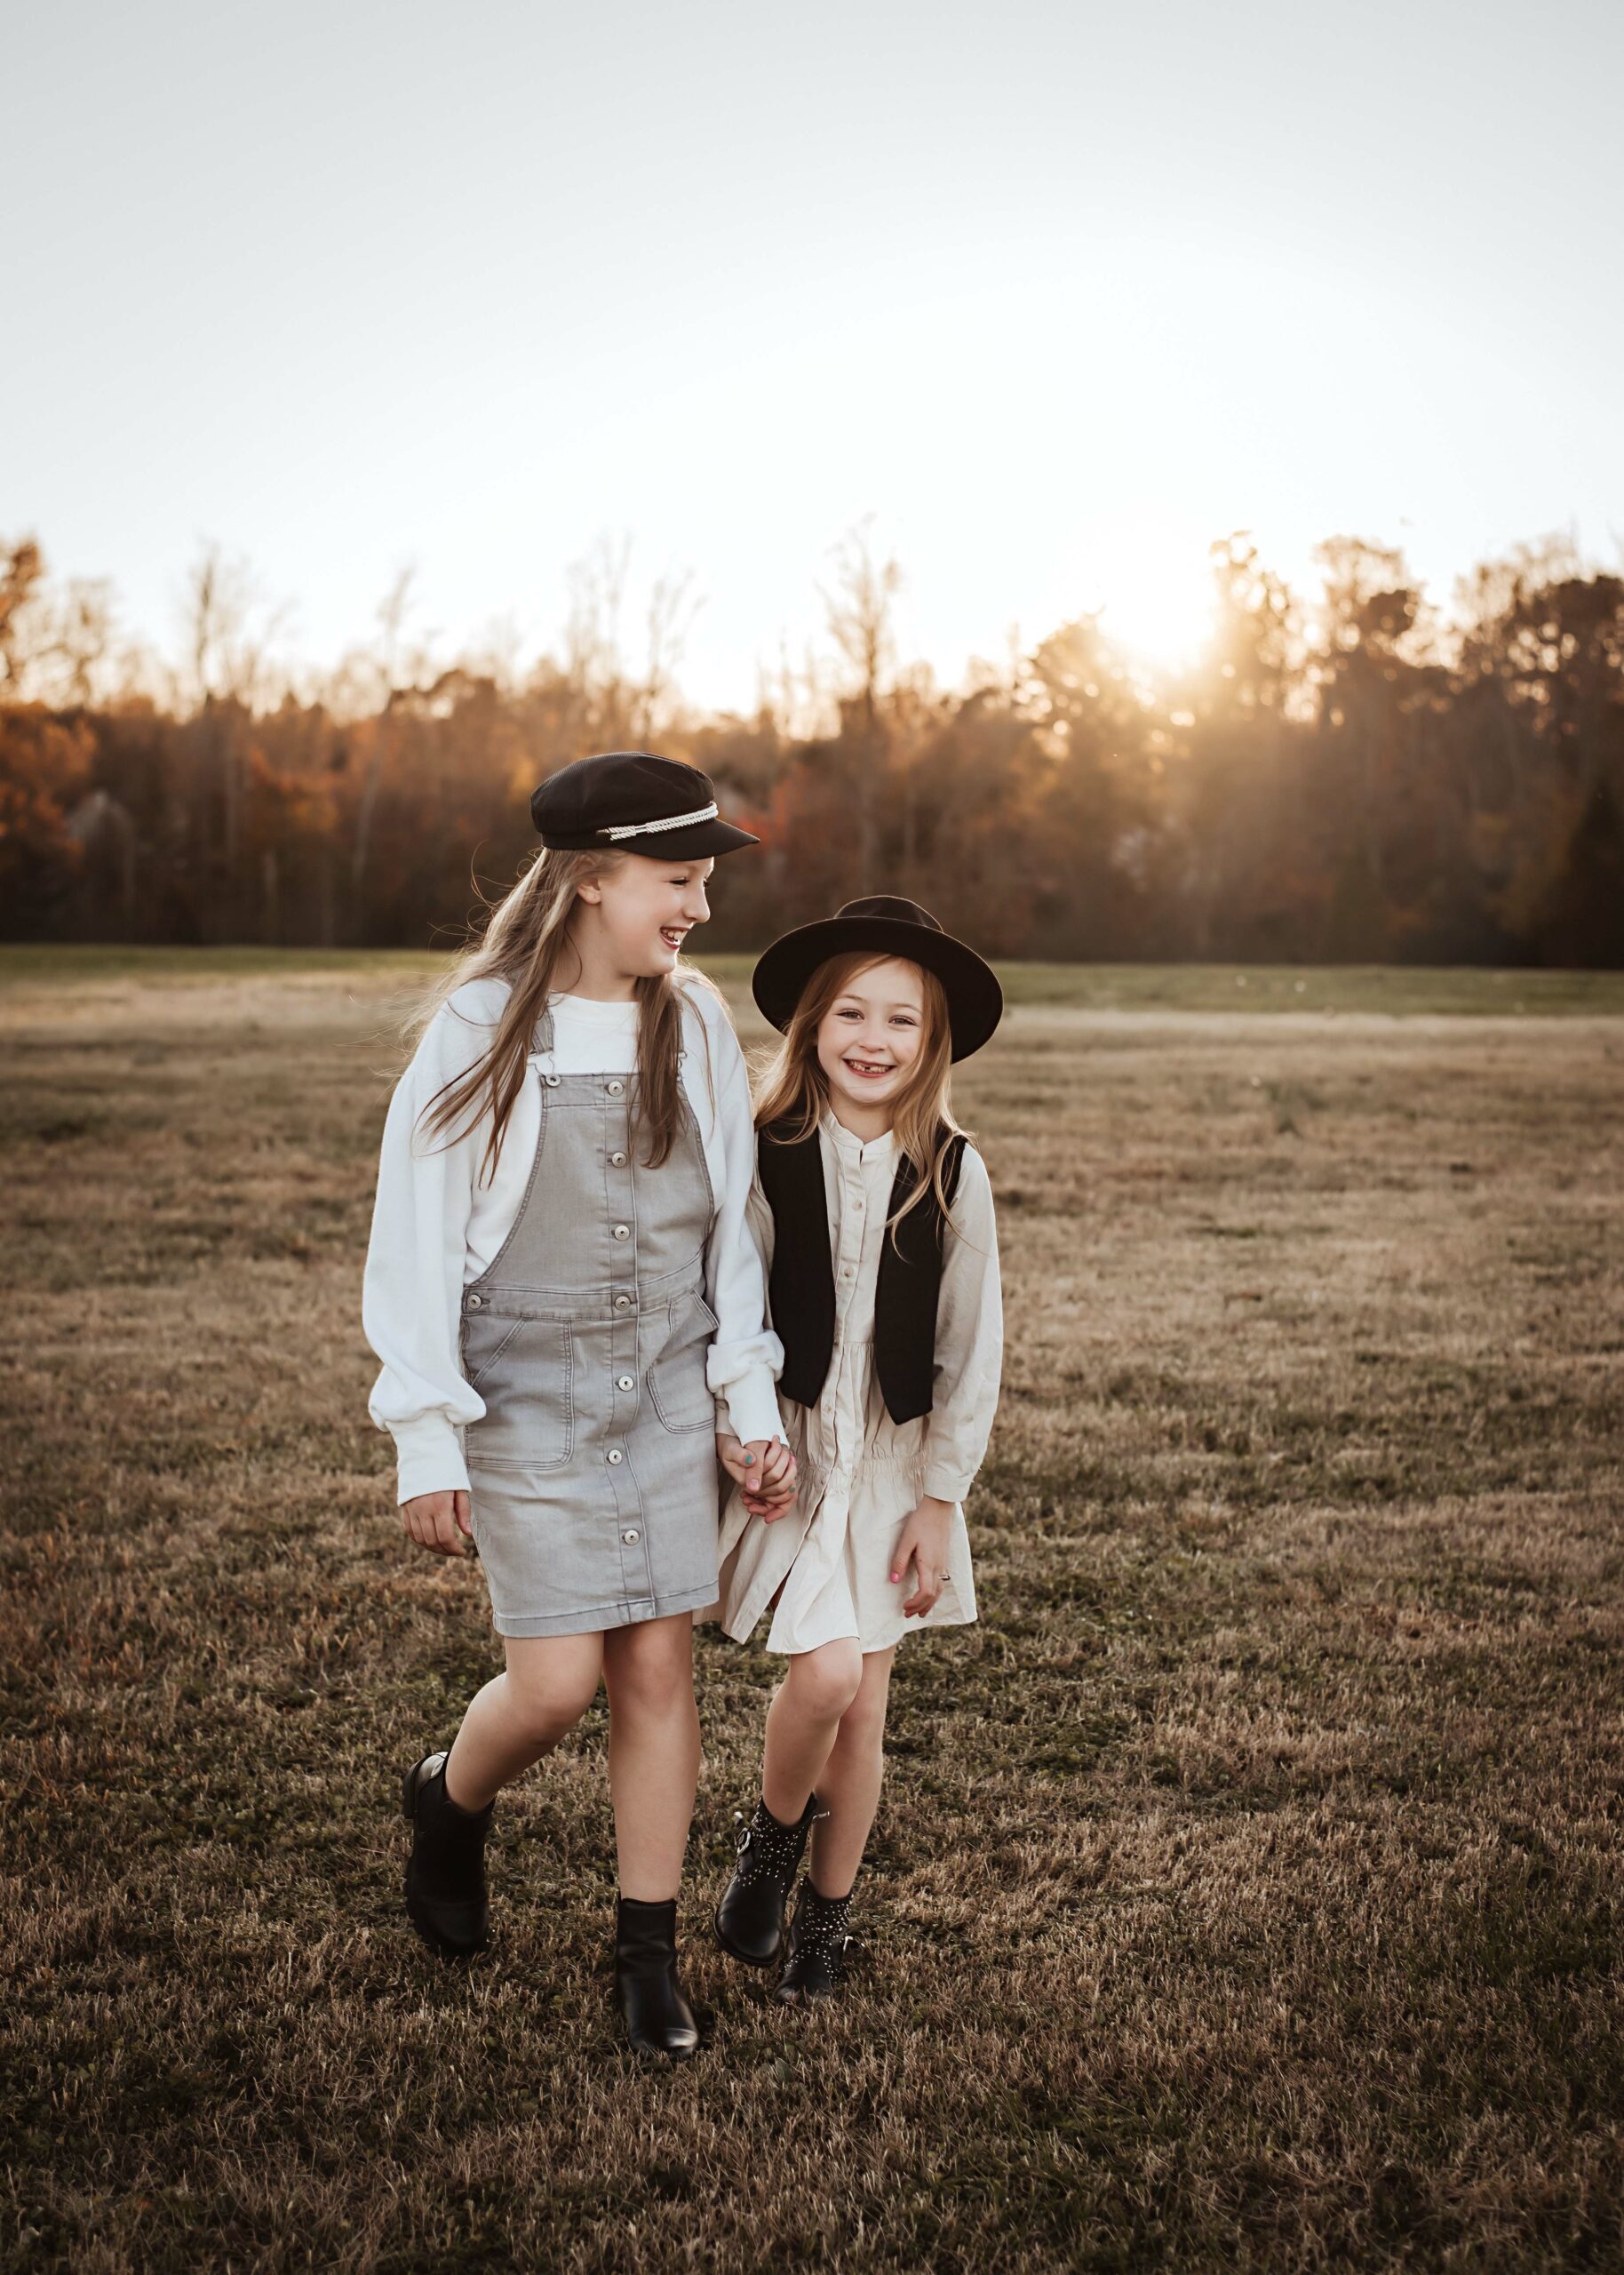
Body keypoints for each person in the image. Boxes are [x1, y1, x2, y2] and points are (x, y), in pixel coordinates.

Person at [363, 751, 794, 2062]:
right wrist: (424, 1430)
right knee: (553, 1685)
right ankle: (450, 1800)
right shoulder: (485, 1023)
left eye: (703, 885)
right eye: (679, 883)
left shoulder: (698, 1019)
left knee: (659, 1666)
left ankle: (645, 1955)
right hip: (524, 1393)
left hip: (664, 1382)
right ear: (593, 879)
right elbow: (419, 1236)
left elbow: (732, 1232)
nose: (698, 912)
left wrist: (743, 1397)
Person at [705, 896, 1004, 2001]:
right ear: (813, 1026)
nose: (873, 1041)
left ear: (930, 1047)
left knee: (864, 1706)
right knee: (826, 1675)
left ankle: (824, 1921)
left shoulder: (951, 1169)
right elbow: (725, 1309)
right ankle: (772, 1838)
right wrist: (741, 1434)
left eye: (902, 1023)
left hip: (890, 1468)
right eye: (851, 1014)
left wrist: (939, 1501)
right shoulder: (770, 1151)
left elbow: (973, 1353)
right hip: (792, 1457)